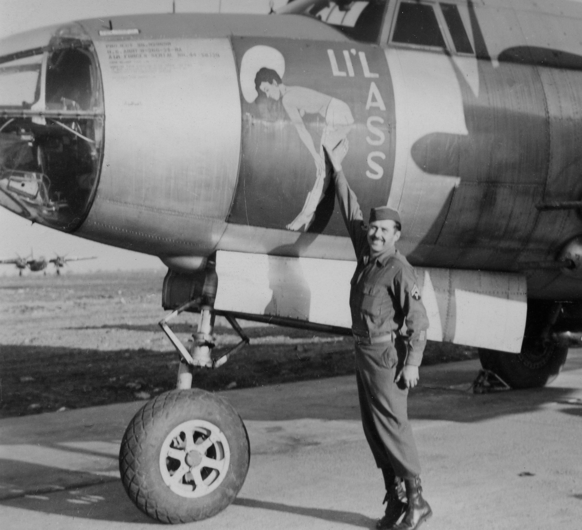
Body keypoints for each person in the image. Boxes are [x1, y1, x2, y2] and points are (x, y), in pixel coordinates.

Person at [325, 146, 432, 530]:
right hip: (363, 354)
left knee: (393, 427)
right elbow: (350, 209)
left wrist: (413, 363)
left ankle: (418, 503)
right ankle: (396, 501)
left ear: (395, 236)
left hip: (387, 356)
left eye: (384, 230)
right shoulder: (367, 256)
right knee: (374, 430)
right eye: (373, 228)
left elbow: (419, 321)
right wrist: (337, 169)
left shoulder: (399, 269)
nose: (374, 233)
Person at [255, 67, 354, 231]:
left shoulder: (287, 99)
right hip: (338, 112)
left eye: (266, 89)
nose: (267, 95)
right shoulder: (291, 91)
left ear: (274, 82)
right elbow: (310, 104)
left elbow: (301, 130)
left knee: (323, 169)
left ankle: (307, 214)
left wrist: (315, 155)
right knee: (325, 171)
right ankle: (309, 213)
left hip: (336, 114)